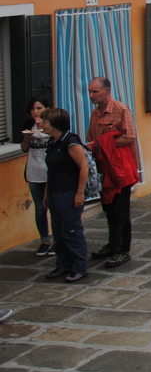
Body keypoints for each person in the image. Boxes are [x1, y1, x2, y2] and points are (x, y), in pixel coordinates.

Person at [85, 77, 140, 269]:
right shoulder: (94, 113)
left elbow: (129, 137)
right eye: (90, 92)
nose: (91, 95)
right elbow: (91, 138)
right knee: (109, 209)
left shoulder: (120, 110)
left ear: (107, 91)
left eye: (95, 92)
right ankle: (112, 244)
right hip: (104, 169)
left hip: (120, 168)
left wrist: (103, 144)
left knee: (120, 211)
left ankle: (122, 250)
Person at [41, 107, 89, 282]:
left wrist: (79, 193)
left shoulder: (70, 142)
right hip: (55, 192)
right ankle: (63, 263)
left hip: (68, 192)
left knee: (71, 229)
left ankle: (80, 267)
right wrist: (47, 192)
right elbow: (51, 170)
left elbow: (84, 167)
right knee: (58, 230)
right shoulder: (52, 143)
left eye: (45, 121)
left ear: (55, 124)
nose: (42, 124)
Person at [21, 97, 53, 256]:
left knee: (54, 207)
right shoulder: (29, 125)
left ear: (47, 108)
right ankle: (45, 240)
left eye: (39, 108)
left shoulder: (52, 124)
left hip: (51, 173)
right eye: (33, 109)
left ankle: (58, 240)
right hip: (33, 173)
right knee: (40, 209)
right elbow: (24, 148)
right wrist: (27, 138)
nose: (35, 112)